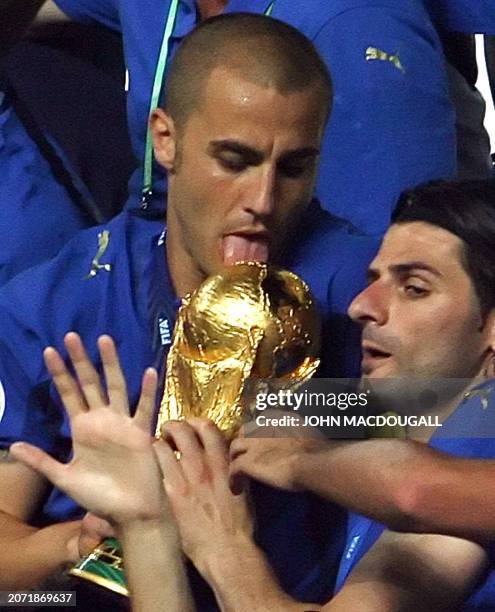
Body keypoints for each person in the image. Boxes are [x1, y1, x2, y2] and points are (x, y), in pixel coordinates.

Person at [0, 14, 377, 606]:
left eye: (294, 168)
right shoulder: (58, 299)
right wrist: (91, 540)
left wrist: (303, 425)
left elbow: (437, 467)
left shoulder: (365, 295)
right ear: (165, 140)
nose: (262, 201)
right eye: (234, 160)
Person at [3, 0, 474, 235]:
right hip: (152, 276)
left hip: (292, 336)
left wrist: (271, 419)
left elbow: (419, 371)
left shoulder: (358, 29)